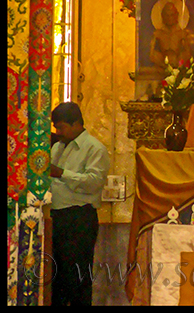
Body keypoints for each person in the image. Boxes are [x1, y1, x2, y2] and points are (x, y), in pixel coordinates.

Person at [49, 102, 110, 306]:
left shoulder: (94, 148)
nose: (58, 132)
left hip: (79, 219)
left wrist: (62, 173)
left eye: (62, 127)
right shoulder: (57, 147)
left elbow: (93, 183)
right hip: (57, 218)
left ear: (76, 124)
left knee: (77, 277)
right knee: (56, 278)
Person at [149, 0, 194, 69]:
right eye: (167, 15)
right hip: (160, 67)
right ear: (162, 16)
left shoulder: (183, 34)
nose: (169, 18)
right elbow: (151, 54)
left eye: (172, 15)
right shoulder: (157, 34)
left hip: (179, 67)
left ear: (177, 15)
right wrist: (162, 64)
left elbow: (187, 54)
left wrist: (178, 64)